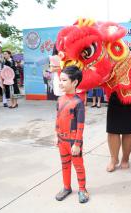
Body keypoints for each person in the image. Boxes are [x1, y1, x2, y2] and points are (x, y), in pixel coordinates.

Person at [55, 65, 89, 203]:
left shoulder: (78, 103)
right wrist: (56, 135)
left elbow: (81, 126)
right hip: (62, 140)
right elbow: (58, 118)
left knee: (78, 166)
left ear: (74, 82)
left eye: (64, 80)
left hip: (73, 142)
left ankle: (82, 189)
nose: (60, 83)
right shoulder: (59, 100)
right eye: (60, 80)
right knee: (65, 165)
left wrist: (77, 143)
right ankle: (67, 187)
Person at [106, 91, 131, 172]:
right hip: (114, 92)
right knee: (112, 129)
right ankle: (114, 159)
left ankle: (125, 158)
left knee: (129, 130)